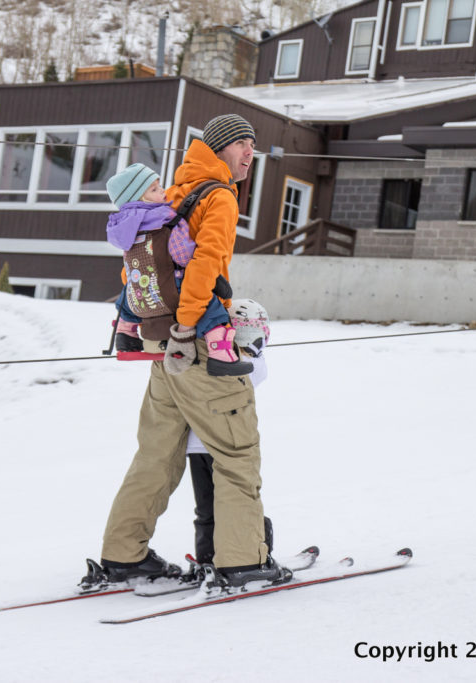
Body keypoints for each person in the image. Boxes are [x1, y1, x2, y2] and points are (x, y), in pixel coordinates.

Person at [85, 114, 290, 589]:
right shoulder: (217, 196)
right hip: (193, 342)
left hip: (163, 346)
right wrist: (187, 326)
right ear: (220, 147)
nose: (250, 153)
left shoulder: (176, 192)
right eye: (243, 143)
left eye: (253, 145)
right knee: (237, 451)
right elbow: (203, 266)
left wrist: (143, 325)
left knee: (156, 454)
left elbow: (139, 264)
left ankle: (124, 554)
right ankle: (243, 561)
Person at [104, 162, 250, 376]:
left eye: (159, 185)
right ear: (139, 198)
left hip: (139, 300)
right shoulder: (164, 220)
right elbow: (183, 256)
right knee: (210, 304)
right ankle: (220, 354)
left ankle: (125, 334)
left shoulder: (122, 229)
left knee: (129, 291)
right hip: (168, 294)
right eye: (154, 189)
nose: (163, 190)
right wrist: (212, 279)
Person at [187, 299, 272, 566]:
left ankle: (208, 558)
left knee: (207, 509)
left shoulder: (203, 361)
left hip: (196, 445)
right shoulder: (251, 366)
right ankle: (254, 555)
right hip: (226, 446)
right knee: (238, 502)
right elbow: (257, 363)